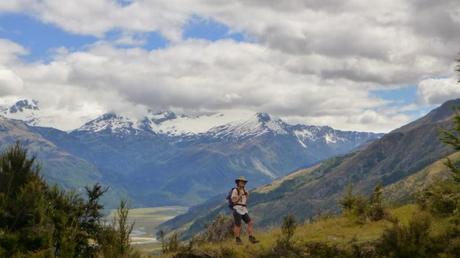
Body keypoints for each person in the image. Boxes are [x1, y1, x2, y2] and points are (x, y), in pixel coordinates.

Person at [230, 176, 259, 244]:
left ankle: (251, 238)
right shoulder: (235, 190)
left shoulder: (244, 190)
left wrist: (246, 196)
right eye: (241, 182)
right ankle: (237, 240)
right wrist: (240, 196)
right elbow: (233, 201)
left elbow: (244, 201)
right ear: (238, 182)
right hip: (237, 209)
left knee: (250, 223)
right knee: (238, 225)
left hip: (243, 209)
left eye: (243, 182)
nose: (243, 183)